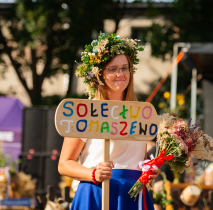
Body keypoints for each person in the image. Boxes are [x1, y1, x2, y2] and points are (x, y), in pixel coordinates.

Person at [58, 33, 160, 210]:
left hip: (133, 195)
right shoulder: (86, 112)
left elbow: (139, 160)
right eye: (112, 69)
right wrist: (94, 173)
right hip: (97, 193)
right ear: (99, 74)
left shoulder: (141, 113)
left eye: (124, 68)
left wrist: (148, 171)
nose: (120, 74)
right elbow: (64, 164)